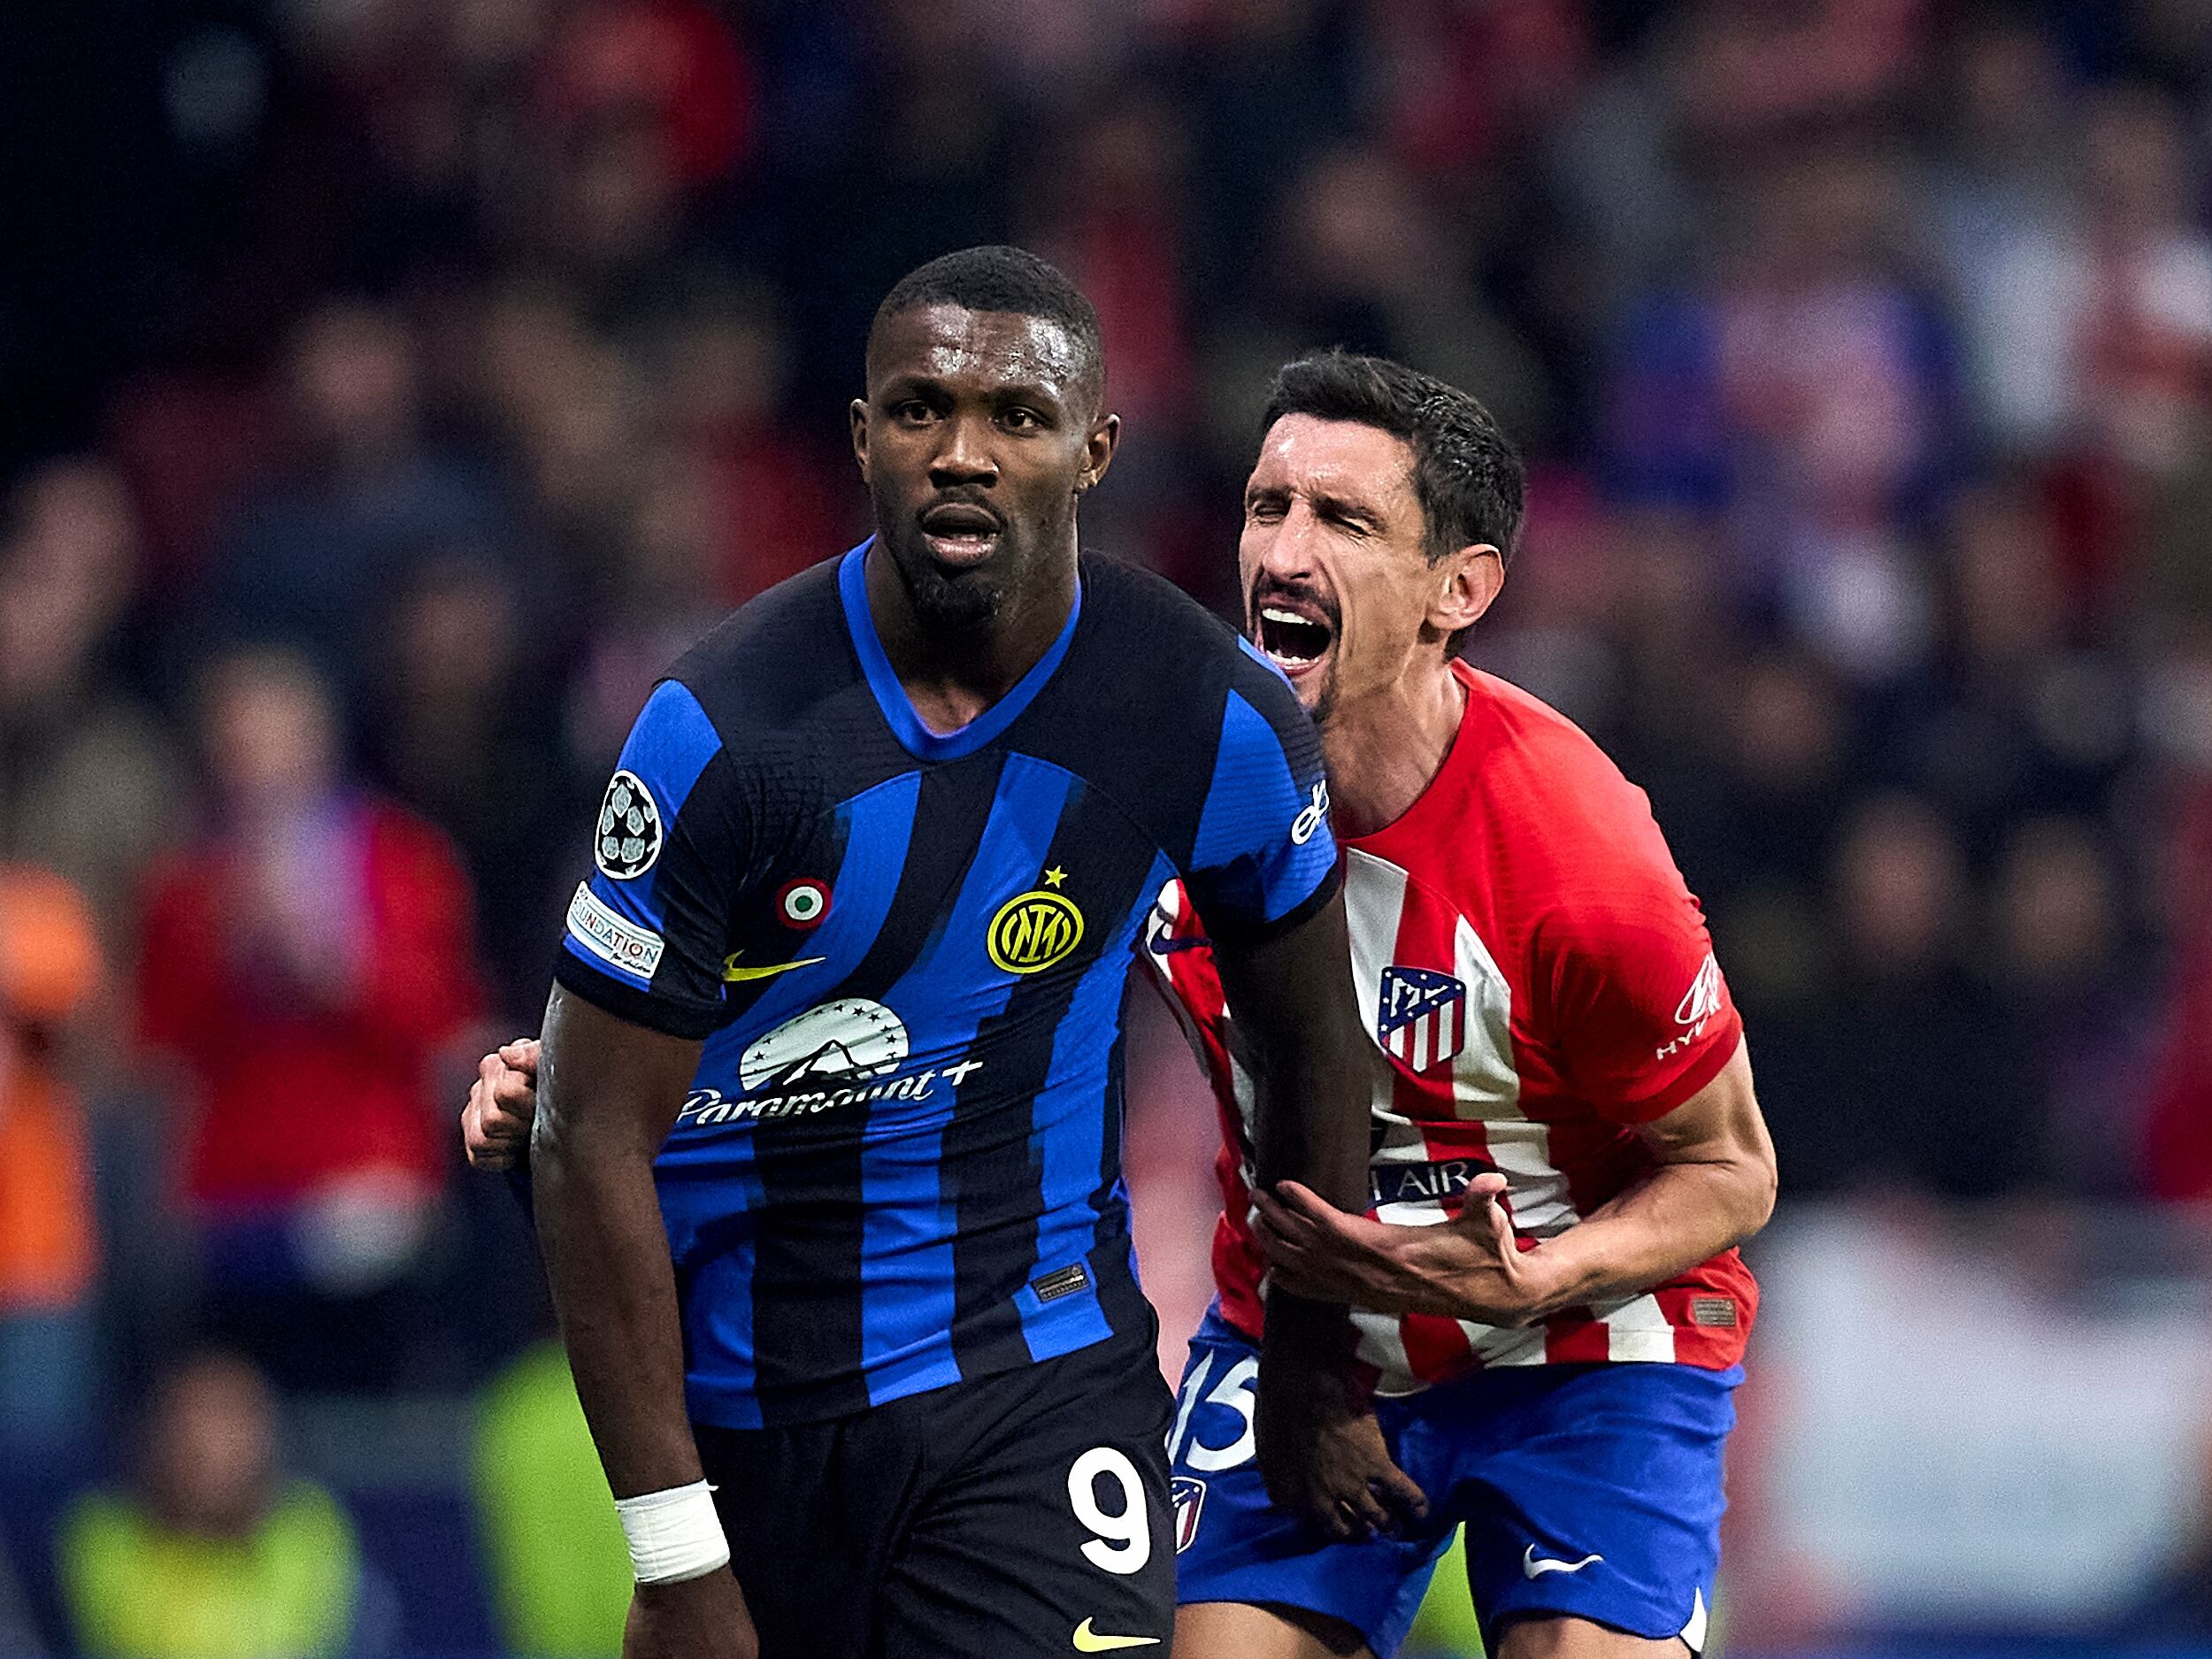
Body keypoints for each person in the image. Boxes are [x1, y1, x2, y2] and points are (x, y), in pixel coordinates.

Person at [480, 247, 1390, 1659]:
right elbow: (585, 1128)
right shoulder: (724, 731)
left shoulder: (1204, 715)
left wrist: (1318, 1365)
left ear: (1094, 449)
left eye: (1016, 418)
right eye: (919, 411)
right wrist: (674, 1558)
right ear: (862, 439)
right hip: (748, 1407)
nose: (962, 452)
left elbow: (1312, 1045)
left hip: (1036, 1379)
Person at [1148, 352, 1777, 1659]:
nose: (1285, 549)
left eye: (1343, 518)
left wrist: (1538, 1272)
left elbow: (1730, 1169)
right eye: (1269, 507)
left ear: (1461, 591)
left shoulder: (1579, 856)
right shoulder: (1166, 791)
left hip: (1589, 1342)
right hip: (1305, 1329)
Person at [56, 1350, 364, 1659]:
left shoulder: (310, 1522)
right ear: (159, 1435)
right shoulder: (102, 1529)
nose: (216, 1446)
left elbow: (289, 1639)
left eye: (233, 1421)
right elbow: (137, 1638)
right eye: (196, 1424)